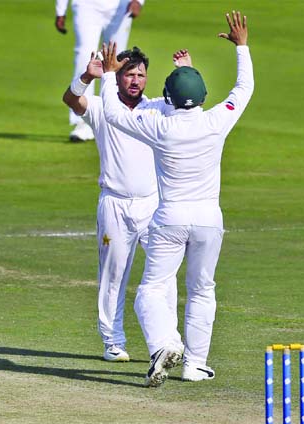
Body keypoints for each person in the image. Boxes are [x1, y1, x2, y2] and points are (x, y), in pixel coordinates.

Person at [99, 10, 254, 387]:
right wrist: (242, 48)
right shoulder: (217, 120)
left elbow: (114, 113)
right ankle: (195, 363)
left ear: (167, 98)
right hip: (208, 221)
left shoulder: (159, 126)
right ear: (201, 96)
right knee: (202, 290)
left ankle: (165, 343)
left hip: (168, 219)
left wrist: (107, 74)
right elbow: (242, 90)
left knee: (150, 291)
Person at [62, 47, 189, 362]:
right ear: (116, 77)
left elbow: (188, 105)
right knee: (113, 273)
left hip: (152, 206)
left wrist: (186, 71)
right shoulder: (101, 106)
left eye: (141, 75)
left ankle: (168, 341)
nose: (135, 80)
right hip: (114, 205)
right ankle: (113, 341)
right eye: (129, 74)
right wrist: (87, 76)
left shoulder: (158, 108)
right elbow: (71, 100)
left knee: (163, 275)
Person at [55, 0, 145, 142]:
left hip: (120, 7)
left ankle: (117, 118)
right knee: (85, 56)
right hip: (86, 5)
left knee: (117, 60)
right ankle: (82, 121)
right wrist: (61, 10)